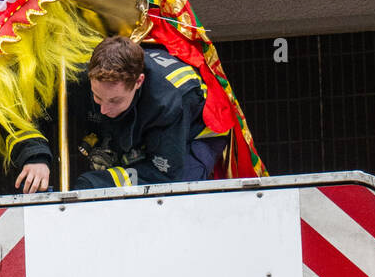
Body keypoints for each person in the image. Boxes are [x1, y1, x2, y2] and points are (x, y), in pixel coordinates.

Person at [13, 36, 228, 194]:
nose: (104, 110)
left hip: (190, 140)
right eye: (97, 98)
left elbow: (163, 175)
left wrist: (95, 184)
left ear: (138, 82)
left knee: (172, 198)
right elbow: (23, 113)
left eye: (114, 101)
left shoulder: (169, 101)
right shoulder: (76, 76)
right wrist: (35, 157)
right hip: (134, 129)